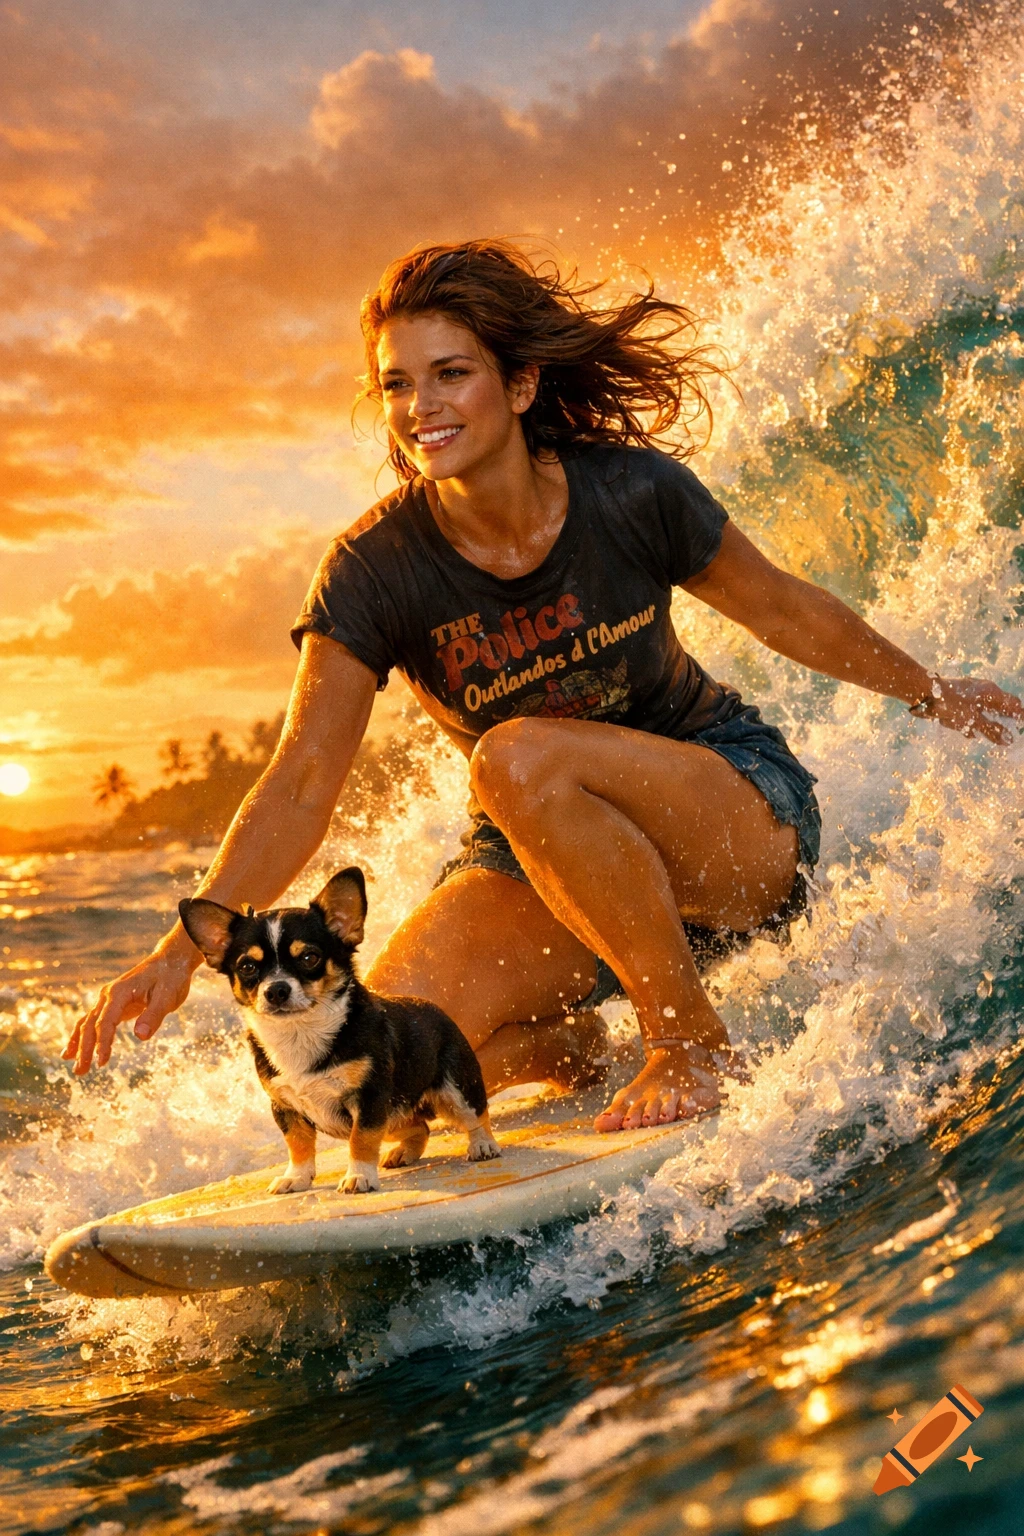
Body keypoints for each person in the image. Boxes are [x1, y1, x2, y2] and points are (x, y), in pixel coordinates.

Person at [64, 240, 1023, 1132]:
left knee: (515, 756)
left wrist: (931, 691)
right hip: (545, 867)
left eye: (451, 373)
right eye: (396, 383)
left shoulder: (630, 493)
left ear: (520, 385)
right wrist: (178, 954)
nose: (419, 405)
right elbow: (302, 782)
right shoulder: (370, 570)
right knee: (375, 1083)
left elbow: (781, 607)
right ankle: (575, 1052)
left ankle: (689, 1042)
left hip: (724, 816)